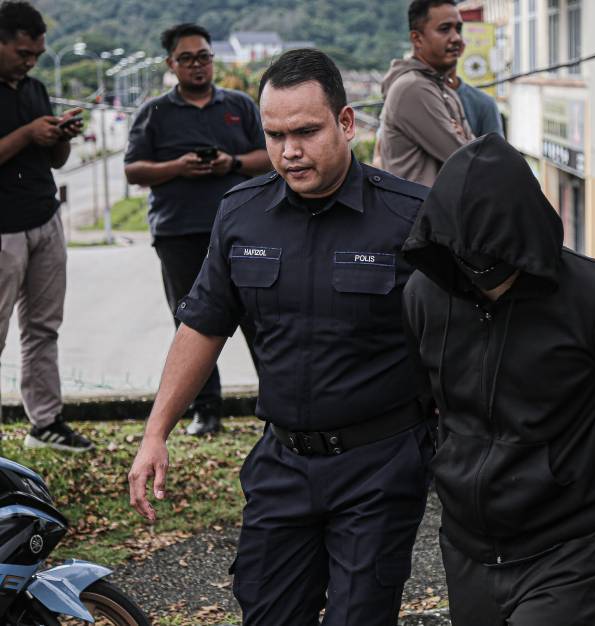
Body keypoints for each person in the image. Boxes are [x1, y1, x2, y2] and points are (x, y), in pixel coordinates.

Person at [127, 48, 434, 625]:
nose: (289, 151)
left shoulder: (409, 215)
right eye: (273, 135)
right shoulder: (242, 213)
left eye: (305, 131)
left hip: (380, 465)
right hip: (282, 464)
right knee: (267, 612)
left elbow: (477, 323)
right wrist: (155, 432)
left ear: (346, 123)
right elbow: (202, 325)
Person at [401, 133, 595, 626]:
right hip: (468, 543)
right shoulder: (425, 295)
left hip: (569, 544)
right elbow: (423, 403)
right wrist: (453, 472)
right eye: (468, 261)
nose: (482, 277)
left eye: (494, 261)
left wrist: (591, 479)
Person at [124, 23, 270, 436]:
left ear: (212, 58)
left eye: (203, 56)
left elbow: (272, 154)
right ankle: (206, 411)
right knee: (193, 323)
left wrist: (233, 163)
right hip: (179, 233)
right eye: (186, 58)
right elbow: (134, 170)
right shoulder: (154, 112)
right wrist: (177, 167)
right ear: (171, 64)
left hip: (244, 231)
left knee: (261, 318)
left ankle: (276, 406)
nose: (197, 65)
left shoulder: (240, 105)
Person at [0, 0, 91, 452]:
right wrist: (26, 135)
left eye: (37, 53)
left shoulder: (35, 88)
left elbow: (52, 159)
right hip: (3, 230)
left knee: (43, 327)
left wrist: (60, 138)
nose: (31, 60)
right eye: (22, 52)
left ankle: (46, 422)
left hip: (44, 216)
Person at [379, 0, 472, 186]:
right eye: (445, 29)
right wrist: (463, 139)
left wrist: (465, 142)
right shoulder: (412, 88)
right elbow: (469, 159)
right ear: (417, 39)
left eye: (458, 29)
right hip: (417, 214)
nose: (456, 38)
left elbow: (475, 150)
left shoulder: (446, 91)